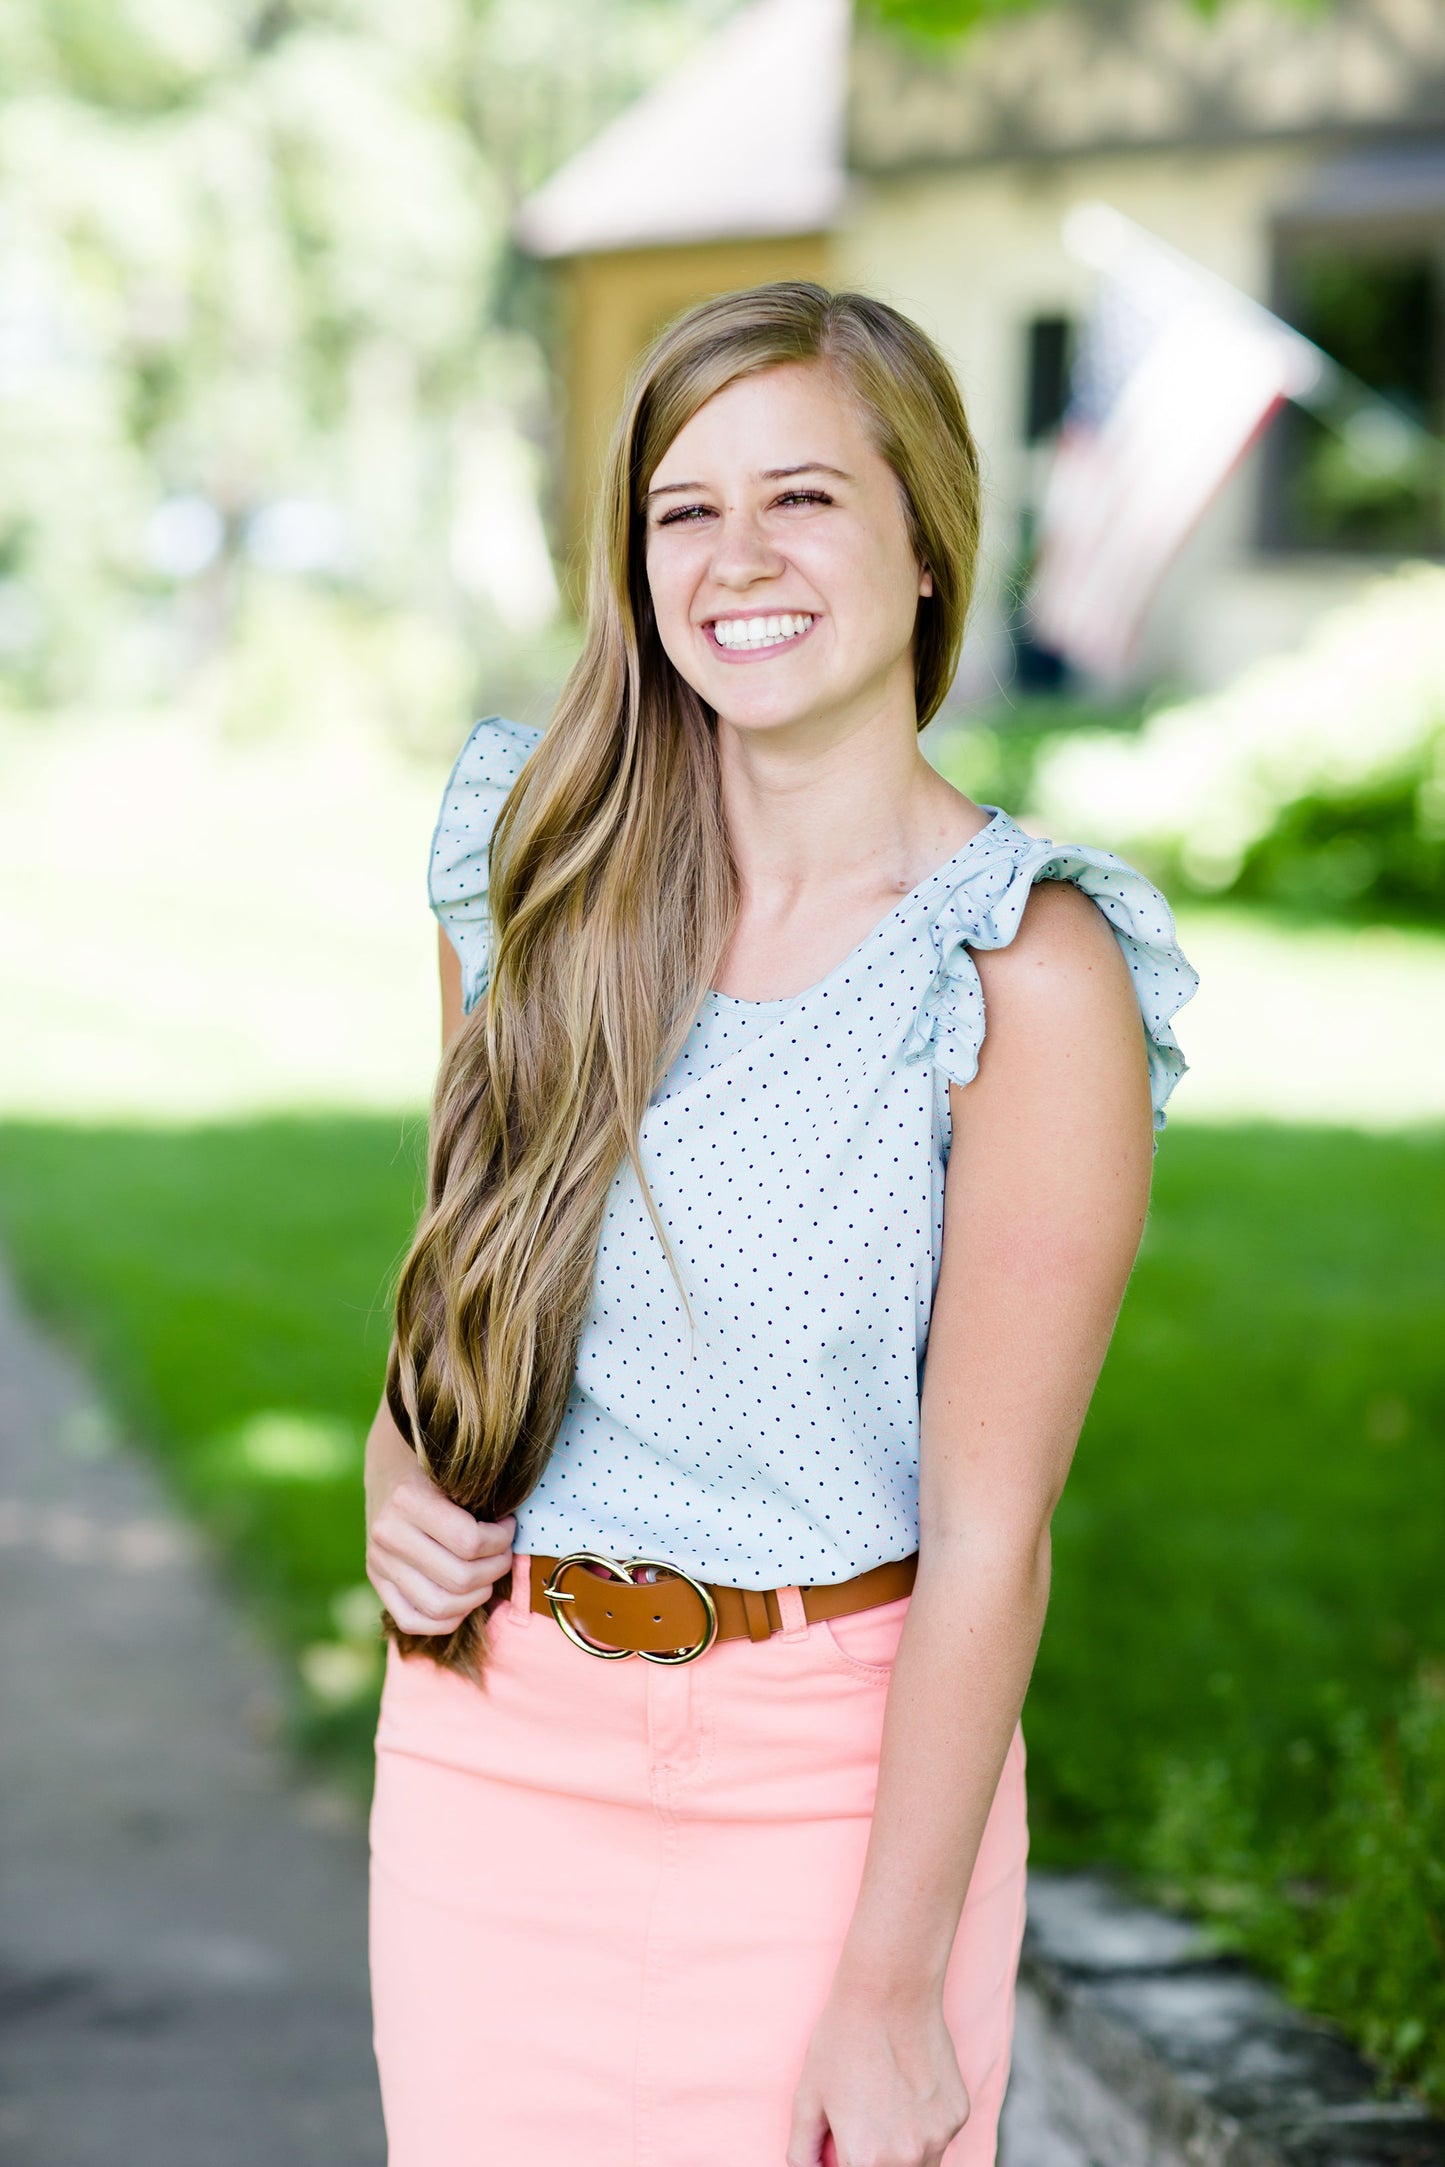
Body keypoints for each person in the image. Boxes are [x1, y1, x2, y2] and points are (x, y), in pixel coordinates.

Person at [363, 280, 1198, 2167]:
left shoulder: (1019, 970)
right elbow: (466, 1291)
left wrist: (892, 1983)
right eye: (684, 508)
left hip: (835, 1815)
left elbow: (995, 1537)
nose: (735, 556)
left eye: (804, 497)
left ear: (925, 548)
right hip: (495, 1765)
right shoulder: (540, 872)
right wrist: (395, 1465)